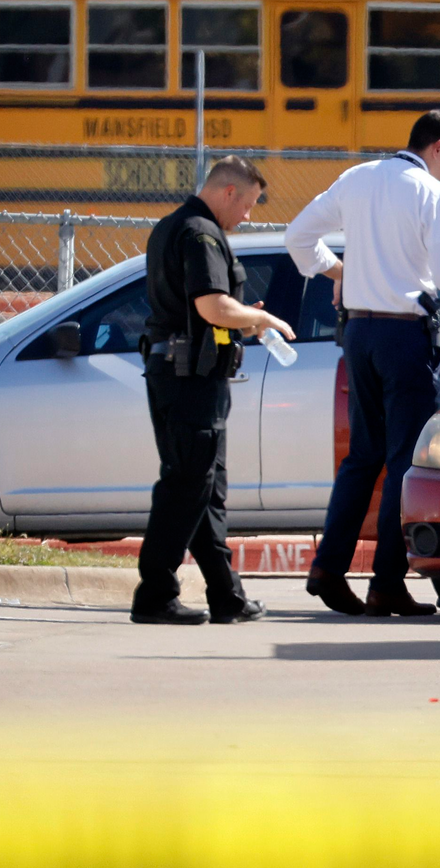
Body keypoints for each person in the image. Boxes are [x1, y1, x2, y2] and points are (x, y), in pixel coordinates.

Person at [285, 110, 440, 617]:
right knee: (403, 460)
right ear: (437, 147)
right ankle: (387, 582)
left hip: (359, 331)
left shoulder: (359, 178)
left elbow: (298, 237)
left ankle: (328, 566)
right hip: (404, 334)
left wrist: (340, 270)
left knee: (361, 456)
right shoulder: (433, 194)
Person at [133, 156, 295, 626]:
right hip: (189, 379)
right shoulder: (201, 233)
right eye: (248, 203)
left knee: (204, 488)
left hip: (185, 372)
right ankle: (155, 595)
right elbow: (212, 305)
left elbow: (206, 311)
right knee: (187, 485)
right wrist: (259, 317)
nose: (248, 214)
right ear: (228, 192)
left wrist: (239, 320)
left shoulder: (172, 226)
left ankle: (227, 595)